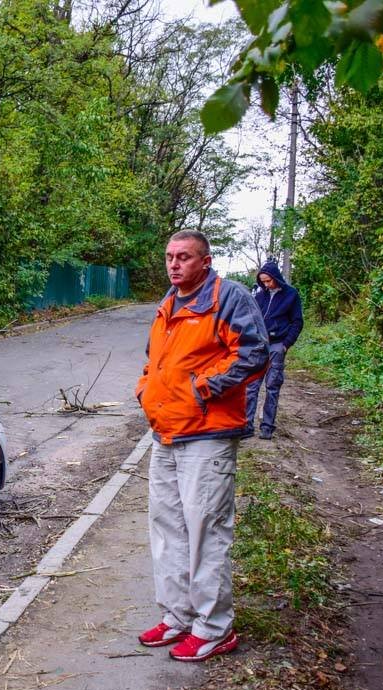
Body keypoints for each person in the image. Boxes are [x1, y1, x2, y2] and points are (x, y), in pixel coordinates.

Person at [135, 230, 269, 662]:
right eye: (170, 257)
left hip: (207, 435)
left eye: (184, 257)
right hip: (166, 434)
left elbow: (253, 352)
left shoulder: (227, 298)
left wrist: (202, 389)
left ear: (205, 261)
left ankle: (214, 628)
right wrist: (146, 388)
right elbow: (154, 361)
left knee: (206, 533)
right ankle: (178, 616)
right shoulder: (168, 304)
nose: (174, 264)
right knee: (168, 530)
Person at [245, 259, 304, 439]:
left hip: (277, 345)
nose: (267, 284)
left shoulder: (291, 295)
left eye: (269, 281)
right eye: (263, 281)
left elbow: (297, 322)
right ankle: (246, 426)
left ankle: (267, 427)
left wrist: (286, 344)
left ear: (276, 277)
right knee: (251, 386)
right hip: (258, 345)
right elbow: (250, 318)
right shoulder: (259, 296)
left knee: (272, 386)